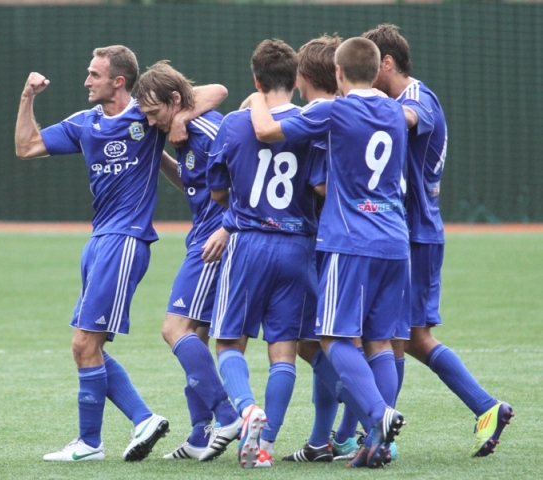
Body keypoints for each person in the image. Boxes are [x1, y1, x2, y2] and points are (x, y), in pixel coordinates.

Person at [14, 45, 227, 462]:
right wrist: (27, 97)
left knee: (85, 343)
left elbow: (215, 91)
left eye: (94, 74)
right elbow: (27, 146)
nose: (86, 81)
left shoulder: (145, 115)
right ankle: (140, 420)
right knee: (85, 346)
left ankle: (91, 442)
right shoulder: (85, 122)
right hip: (98, 241)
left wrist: (179, 119)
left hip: (125, 240)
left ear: (118, 81)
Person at [248, 37, 415, 468]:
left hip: (351, 239)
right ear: (376, 72)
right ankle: (376, 443)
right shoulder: (395, 110)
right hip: (395, 239)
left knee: (333, 337)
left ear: (338, 73)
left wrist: (257, 97)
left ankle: (377, 416)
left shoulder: (332, 110)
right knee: (379, 340)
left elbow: (266, 131)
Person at [362, 23, 514, 458]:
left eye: (371, 65)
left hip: (414, 233)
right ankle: (485, 407)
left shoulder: (417, 98)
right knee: (407, 337)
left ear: (387, 62)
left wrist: (356, 106)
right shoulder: (400, 98)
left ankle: (379, 437)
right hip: (410, 231)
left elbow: (410, 118)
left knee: (398, 337)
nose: (366, 75)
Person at [206, 39, 323, 468]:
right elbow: (320, 188)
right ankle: (266, 445)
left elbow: (217, 192)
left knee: (229, 343)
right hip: (297, 245)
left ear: (256, 81)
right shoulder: (310, 124)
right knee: (284, 351)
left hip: (248, 242)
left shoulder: (234, 123)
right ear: (295, 80)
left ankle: (246, 408)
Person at [133, 61, 242, 462]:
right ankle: (199, 434)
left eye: (154, 112)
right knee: (195, 334)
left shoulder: (209, 130)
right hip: (203, 236)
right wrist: (160, 155)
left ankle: (228, 416)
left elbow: (248, 184)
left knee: (173, 329)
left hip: (215, 241)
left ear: (176, 100)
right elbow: (193, 181)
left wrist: (227, 229)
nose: (150, 121)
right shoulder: (181, 131)